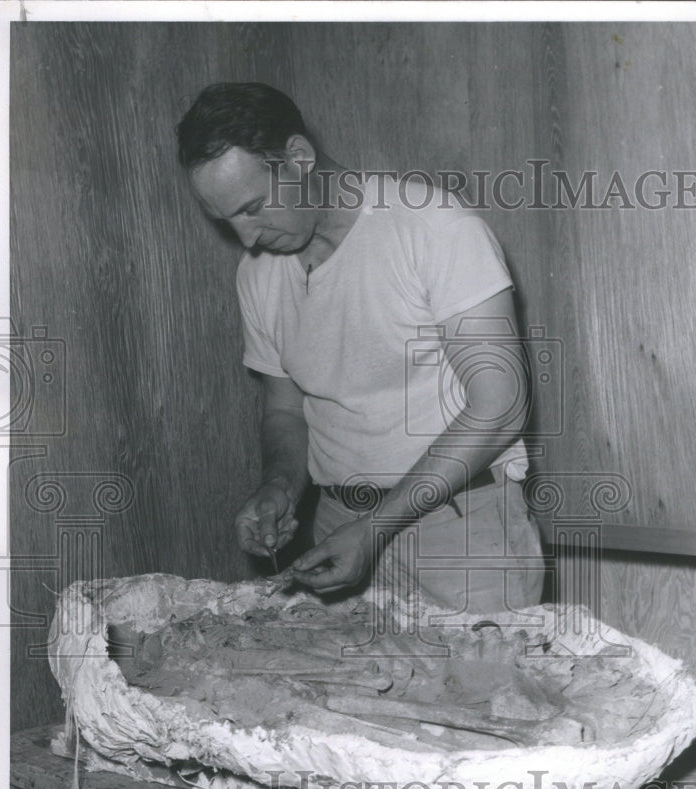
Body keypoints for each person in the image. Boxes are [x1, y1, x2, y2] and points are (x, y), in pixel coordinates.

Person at [177, 82, 544, 614]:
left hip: (461, 530)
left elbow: (500, 405)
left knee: (480, 696)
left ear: (299, 158)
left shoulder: (433, 229)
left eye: (254, 207)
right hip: (338, 527)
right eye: (227, 220)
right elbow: (285, 410)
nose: (248, 239)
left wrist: (376, 527)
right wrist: (277, 486)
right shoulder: (256, 276)